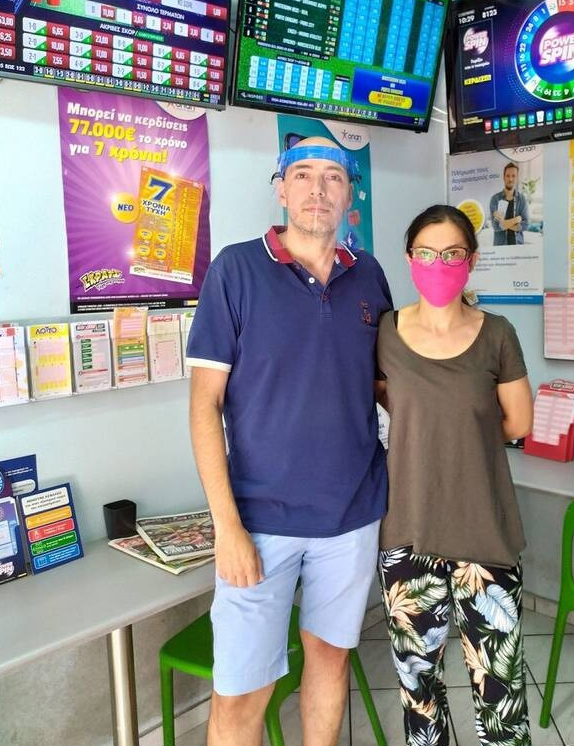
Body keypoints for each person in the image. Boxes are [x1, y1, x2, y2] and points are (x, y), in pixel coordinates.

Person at [186, 136, 392, 746]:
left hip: (351, 515)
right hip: (259, 523)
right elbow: (204, 407)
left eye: (333, 176)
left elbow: (383, 385)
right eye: (302, 174)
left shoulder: (369, 275)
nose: (317, 189)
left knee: (329, 659)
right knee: (242, 692)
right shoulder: (235, 270)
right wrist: (227, 528)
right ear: (281, 189)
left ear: (350, 196)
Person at [375, 204, 534, 746]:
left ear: (472, 260)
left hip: (484, 536)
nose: (437, 264)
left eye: (451, 254)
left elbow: (519, 422)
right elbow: (387, 401)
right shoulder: (386, 332)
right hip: (408, 536)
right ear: (409, 259)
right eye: (425, 253)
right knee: (419, 694)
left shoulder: (497, 334)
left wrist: (461, 433)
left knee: (500, 696)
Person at [489, 162, 530, 246]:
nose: (510, 179)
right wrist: (516, 220)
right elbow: (496, 226)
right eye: (507, 176)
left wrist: (503, 223)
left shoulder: (522, 199)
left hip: (518, 247)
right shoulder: (495, 199)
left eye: (513, 176)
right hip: (500, 247)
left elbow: (526, 225)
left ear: (517, 178)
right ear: (503, 177)